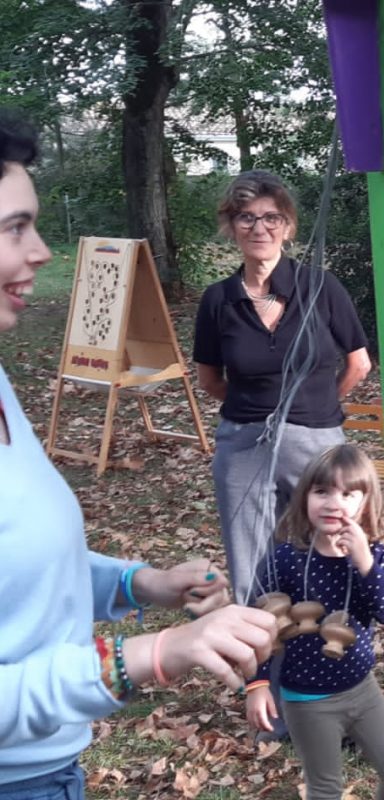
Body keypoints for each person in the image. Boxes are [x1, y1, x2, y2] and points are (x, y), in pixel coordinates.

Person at [0, 114, 278, 798]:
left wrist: (139, 584)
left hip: (48, 768)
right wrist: (147, 658)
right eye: (14, 229)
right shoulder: (220, 301)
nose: (40, 251)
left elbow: (21, 568)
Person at [193, 170, 372, 607]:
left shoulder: (321, 288)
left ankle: (332, 648)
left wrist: (317, 405)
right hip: (243, 444)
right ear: (231, 227)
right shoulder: (218, 300)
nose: (259, 228)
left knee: (329, 544)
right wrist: (256, 408)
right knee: (250, 564)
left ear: (288, 227)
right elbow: (209, 379)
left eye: (271, 218)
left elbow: (358, 363)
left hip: (317, 441)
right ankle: (257, 664)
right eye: (246, 218)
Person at [245, 444, 384, 800]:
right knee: (325, 788)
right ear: (304, 498)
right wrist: (257, 685)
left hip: (363, 691)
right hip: (307, 700)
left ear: (365, 503)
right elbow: (260, 626)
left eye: (348, 493)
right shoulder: (285, 558)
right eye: (322, 491)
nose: (334, 503)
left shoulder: (373, 553)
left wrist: (364, 563)